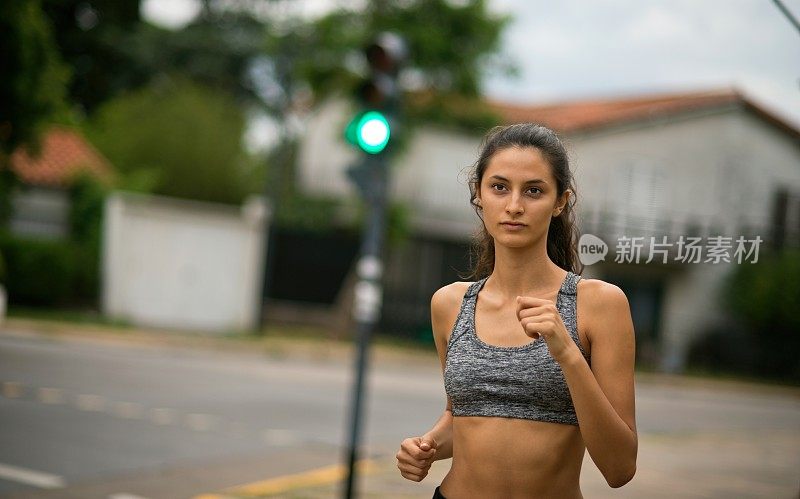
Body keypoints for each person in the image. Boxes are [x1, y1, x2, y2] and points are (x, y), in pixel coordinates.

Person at [395, 123, 638, 498]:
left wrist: (568, 355)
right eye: (499, 187)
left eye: (534, 191)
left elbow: (620, 468)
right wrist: (425, 446)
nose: (514, 206)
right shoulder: (450, 304)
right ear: (479, 194)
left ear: (560, 201)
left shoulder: (599, 304)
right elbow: (461, 417)